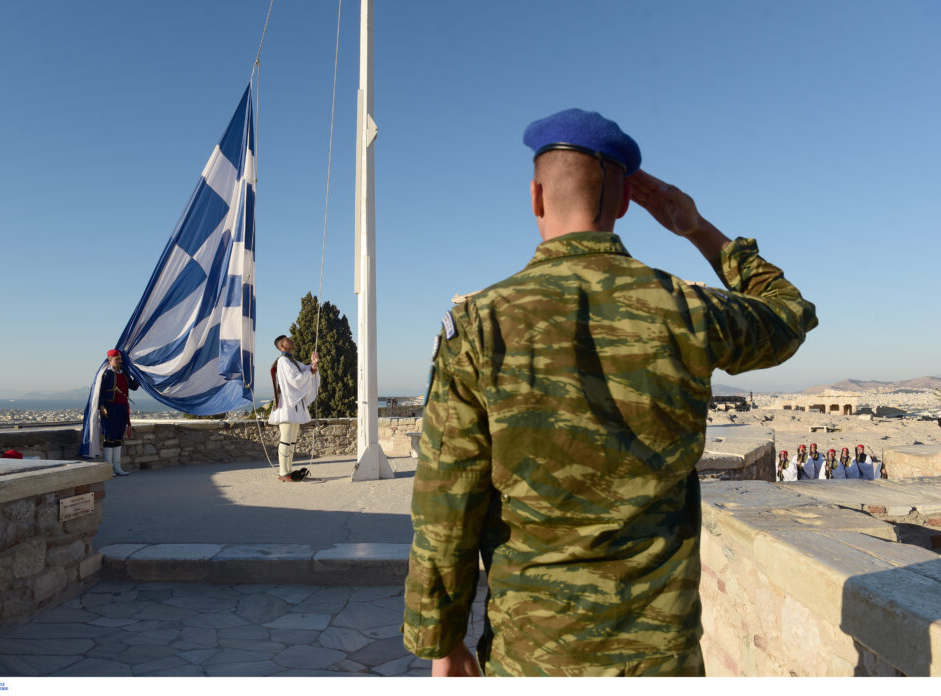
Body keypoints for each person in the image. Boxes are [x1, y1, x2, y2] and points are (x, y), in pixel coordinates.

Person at [402, 108, 817, 677]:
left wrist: (442, 642)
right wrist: (695, 227)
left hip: (531, 657)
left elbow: (446, 505)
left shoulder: (480, 326)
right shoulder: (686, 311)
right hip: (660, 659)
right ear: (625, 204)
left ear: (535, 197)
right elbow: (789, 314)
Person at [268, 335, 320, 482]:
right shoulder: (283, 361)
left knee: (291, 439)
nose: (291, 340)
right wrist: (310, 371)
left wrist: (313, 364)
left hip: (295, 403)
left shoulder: (292, 361)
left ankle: (289, 470)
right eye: (287, 340)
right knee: (285, 438)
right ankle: (283, 472)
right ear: (282, 346)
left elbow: (306, 370)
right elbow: (295, 379)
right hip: (286, 404)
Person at [98, 348, 138, 476]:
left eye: (121, 359)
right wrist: (101, 406)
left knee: (118, 437)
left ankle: (117, 467)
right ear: (110, 360)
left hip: (122, 408)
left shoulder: (124, 373)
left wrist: (140, 375)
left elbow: (133, 386)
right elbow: (99, 392)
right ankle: (108, 468)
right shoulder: (106, 374)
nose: (120, 361)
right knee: (109, 437)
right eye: (117, 359)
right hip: (110, 408)